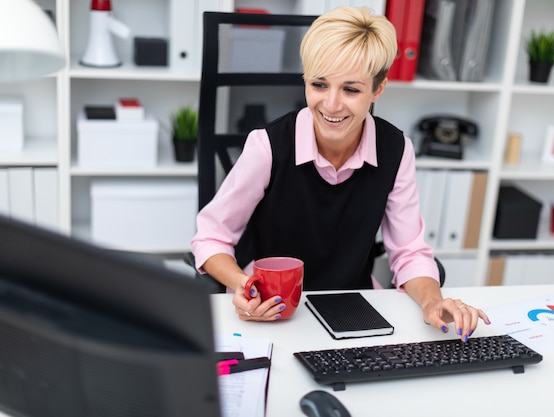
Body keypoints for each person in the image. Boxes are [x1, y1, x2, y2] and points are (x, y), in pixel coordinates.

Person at [191, 6, 490, 341]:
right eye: (319, 85)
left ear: (377, 89)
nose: (331, 105)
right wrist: (243, 285)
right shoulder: (268, 146)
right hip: (273, 308)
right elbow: (211, 237)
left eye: (351, 89)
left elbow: (409, 251)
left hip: (352, 307)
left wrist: (433, 301)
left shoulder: (395, 150)